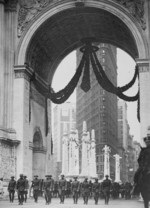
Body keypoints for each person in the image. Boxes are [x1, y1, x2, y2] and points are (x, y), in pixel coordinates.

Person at [133, 129, 150, 195]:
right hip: (144, 166)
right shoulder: (143, 150)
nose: (147, 143)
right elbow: (139, 159)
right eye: (146, 142)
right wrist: (141, 165)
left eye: (149, 142)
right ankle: (135, 187)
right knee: (136, 174)